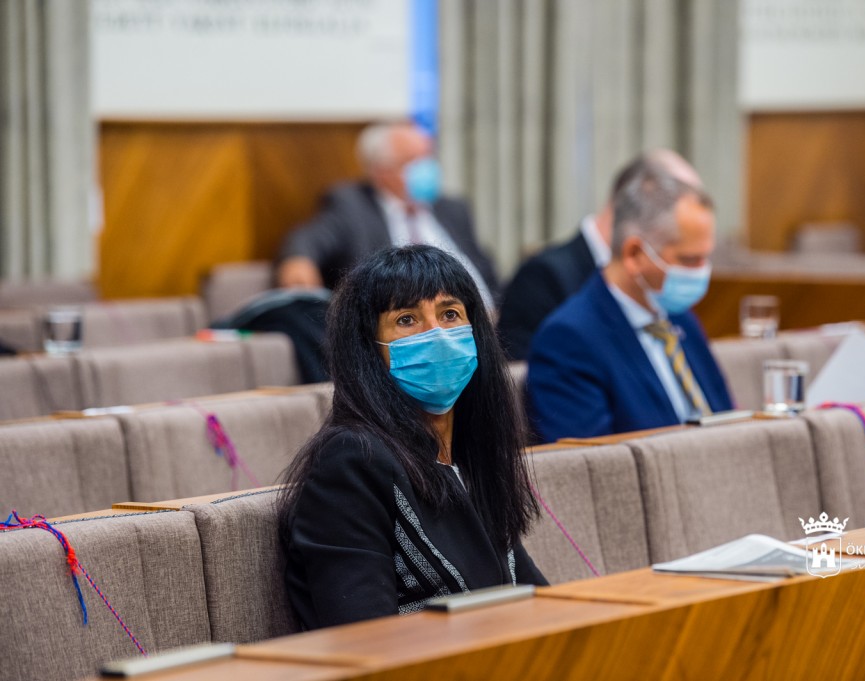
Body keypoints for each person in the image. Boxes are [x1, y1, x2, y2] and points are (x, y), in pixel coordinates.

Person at [280, 245, 545, 628]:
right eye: (406, 320)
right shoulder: (352, 461)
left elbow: (537, 601)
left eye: (450, 314)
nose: (437, 334)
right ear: (368, 349)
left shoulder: (470, 455)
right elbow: (365, 637)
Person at [526, 160, 733, 443]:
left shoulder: (681, 319)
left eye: (705, 257)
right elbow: (593, 464)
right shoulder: (568, 340)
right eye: (689, 259)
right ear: (635, 254)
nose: (702, 271)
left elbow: (727, 418)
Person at [497, 149, 702, 361]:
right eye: (675, 214)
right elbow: (519, 372)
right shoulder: (542, 277)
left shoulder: (664, 295)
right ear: (629, 205)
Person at [275, 122, 500, 309]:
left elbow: (485, 271)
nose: (426, 168)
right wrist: (298, 260)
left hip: (484, 320)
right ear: (381, 170)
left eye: (428, 157)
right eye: (413, 161)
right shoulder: (352, 205)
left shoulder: (452, 208)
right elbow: (309, 238)